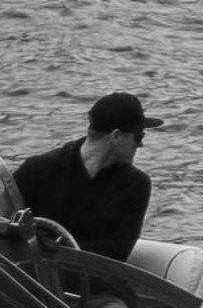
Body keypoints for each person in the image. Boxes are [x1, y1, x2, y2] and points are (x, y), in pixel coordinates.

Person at [11, 92, 157, 261]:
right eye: (138, 136)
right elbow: (2, 220)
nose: (141, 145)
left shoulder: (137, 185)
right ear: (116, 136)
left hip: (94, 275)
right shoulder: (37, 170)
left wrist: (51, 246)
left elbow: (118, 251)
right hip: (32, 271)